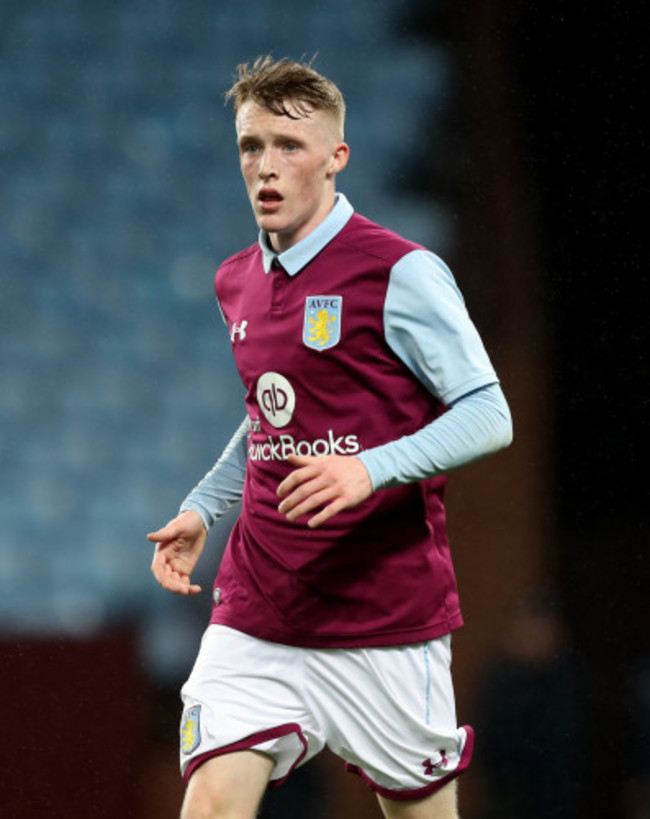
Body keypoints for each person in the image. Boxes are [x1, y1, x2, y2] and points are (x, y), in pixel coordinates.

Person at [147, 55, 513, 819]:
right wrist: (206, 505)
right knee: (211, 805)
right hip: (261, 607)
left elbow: (490, 414)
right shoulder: (235, 279)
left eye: (290, 144)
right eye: (252, 146)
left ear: (337, 157)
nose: (267, 167)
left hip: (382, 619)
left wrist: (369, 470)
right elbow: (269, 417)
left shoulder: (401, 272)